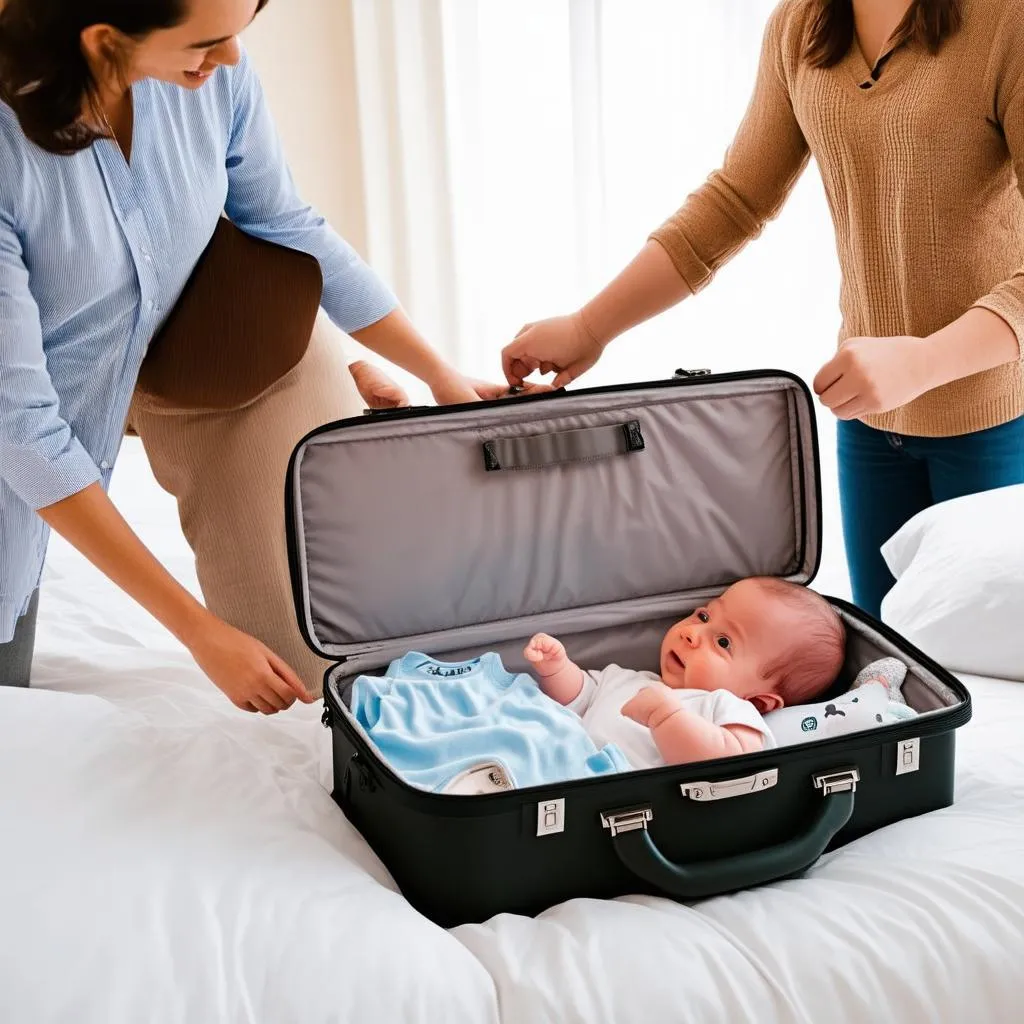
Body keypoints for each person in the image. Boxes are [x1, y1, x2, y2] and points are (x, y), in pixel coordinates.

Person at [0, 0, 512, 707]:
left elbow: (285, 224)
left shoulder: (212, 75)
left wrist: (442, 374)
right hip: (21, 425)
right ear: (105, 41)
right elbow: (21, 430)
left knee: (318, 654)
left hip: (162, 363)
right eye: (210, 41)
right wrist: (197, 630)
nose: (234, 58)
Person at [502, 0, 1024, 620]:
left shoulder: (1005, 21)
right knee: (887, 670)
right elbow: (735, 200)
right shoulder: (801, 23)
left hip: (998, 416)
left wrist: (928, 360)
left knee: (983, 679)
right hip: (867, 416)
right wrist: (591, 326)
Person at [525, 577, 845, 768]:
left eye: (723, 642)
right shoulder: (631, 679)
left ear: (760, 702)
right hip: (553, 765)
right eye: (704, 616)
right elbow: (577, 698)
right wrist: (558, 669)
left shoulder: (727, 708)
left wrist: (667, 718)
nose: (692, 633)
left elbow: (732, 764)